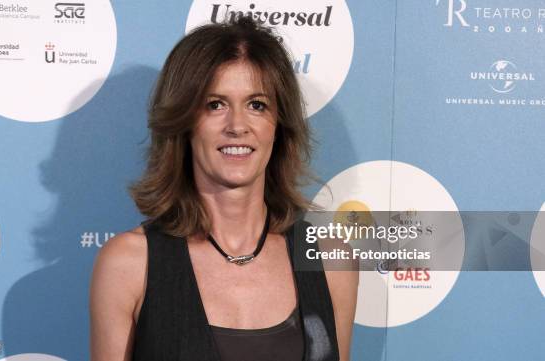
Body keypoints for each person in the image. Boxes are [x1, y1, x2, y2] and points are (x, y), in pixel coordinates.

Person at [90, 16, 358, 361]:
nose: (237, 126)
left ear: (279, 125)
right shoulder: (128, 263)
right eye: (215, 104)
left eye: (256, 105)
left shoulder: (330, 260)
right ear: (184, 122)